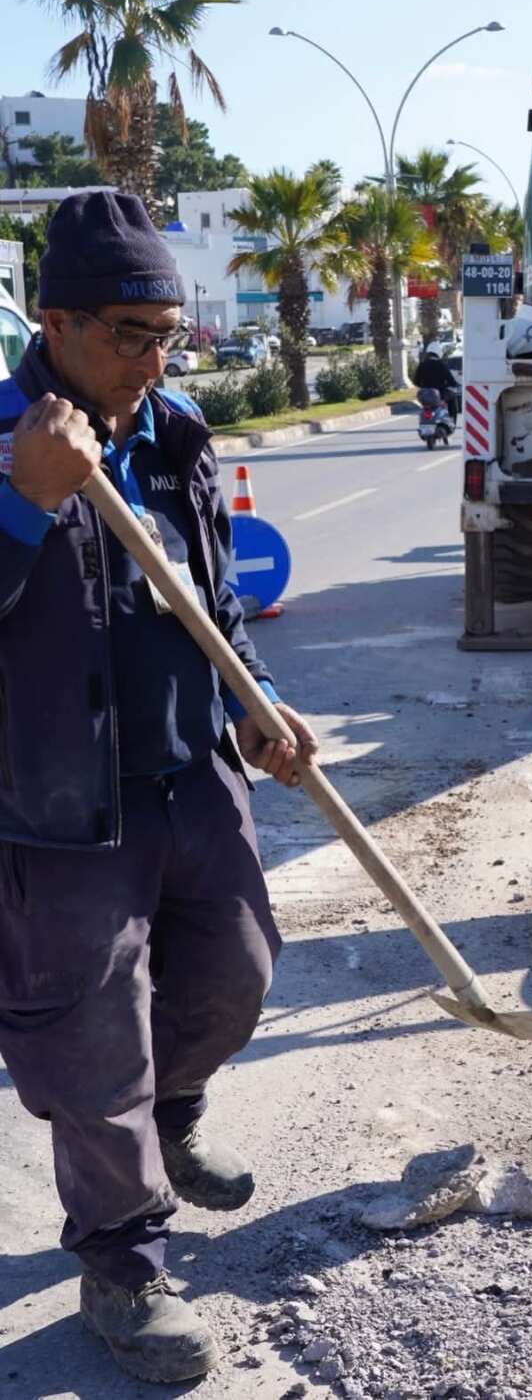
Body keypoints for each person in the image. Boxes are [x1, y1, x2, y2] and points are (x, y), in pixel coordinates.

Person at [0, 191, 317, 1385]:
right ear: (55, 322)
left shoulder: (175, 433)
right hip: (56, 813)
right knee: (90, 1053)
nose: (153, 356)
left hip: (192, 778)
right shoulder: (7, 443)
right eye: (130, 332)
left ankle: (174, 1108)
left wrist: (260, 697)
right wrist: (21, 501)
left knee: (239, 971)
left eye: (167, 333)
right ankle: (122, 1269)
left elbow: (216, 607)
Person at [413, 343, 459, 416]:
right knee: (452, 397)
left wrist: (423, 386)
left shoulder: (422, 365)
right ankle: (451, 418)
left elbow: (415, 381)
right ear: (438, 353)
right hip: (440, 394)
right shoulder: (441, 365)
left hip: (425, 395)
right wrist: (454, 384)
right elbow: (450, 380)